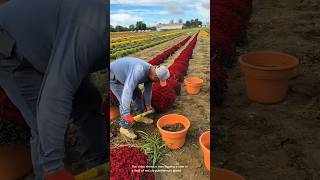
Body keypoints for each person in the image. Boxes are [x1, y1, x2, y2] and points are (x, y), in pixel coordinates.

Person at [0, 0, 108, 179]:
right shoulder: (89, 31)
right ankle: (47, 172)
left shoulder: (101, 28)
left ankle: (100, 162)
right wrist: (54, 168)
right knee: (39, 119)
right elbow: (56, 93)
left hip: (50, 44)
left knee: (88, 100)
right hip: (8, 48)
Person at [110, 57, 170, 139]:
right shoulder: (139, 70)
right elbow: (127, 91)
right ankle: (124, 127)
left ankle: (139, 115)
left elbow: (148, 90)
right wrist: (127, 114)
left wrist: (148, 104)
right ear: (155, 77)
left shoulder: (151, 73)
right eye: (159, 81)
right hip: (114, 78)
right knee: (123, 100)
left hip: (126, 77)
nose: (158, 82)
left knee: (137, 93)